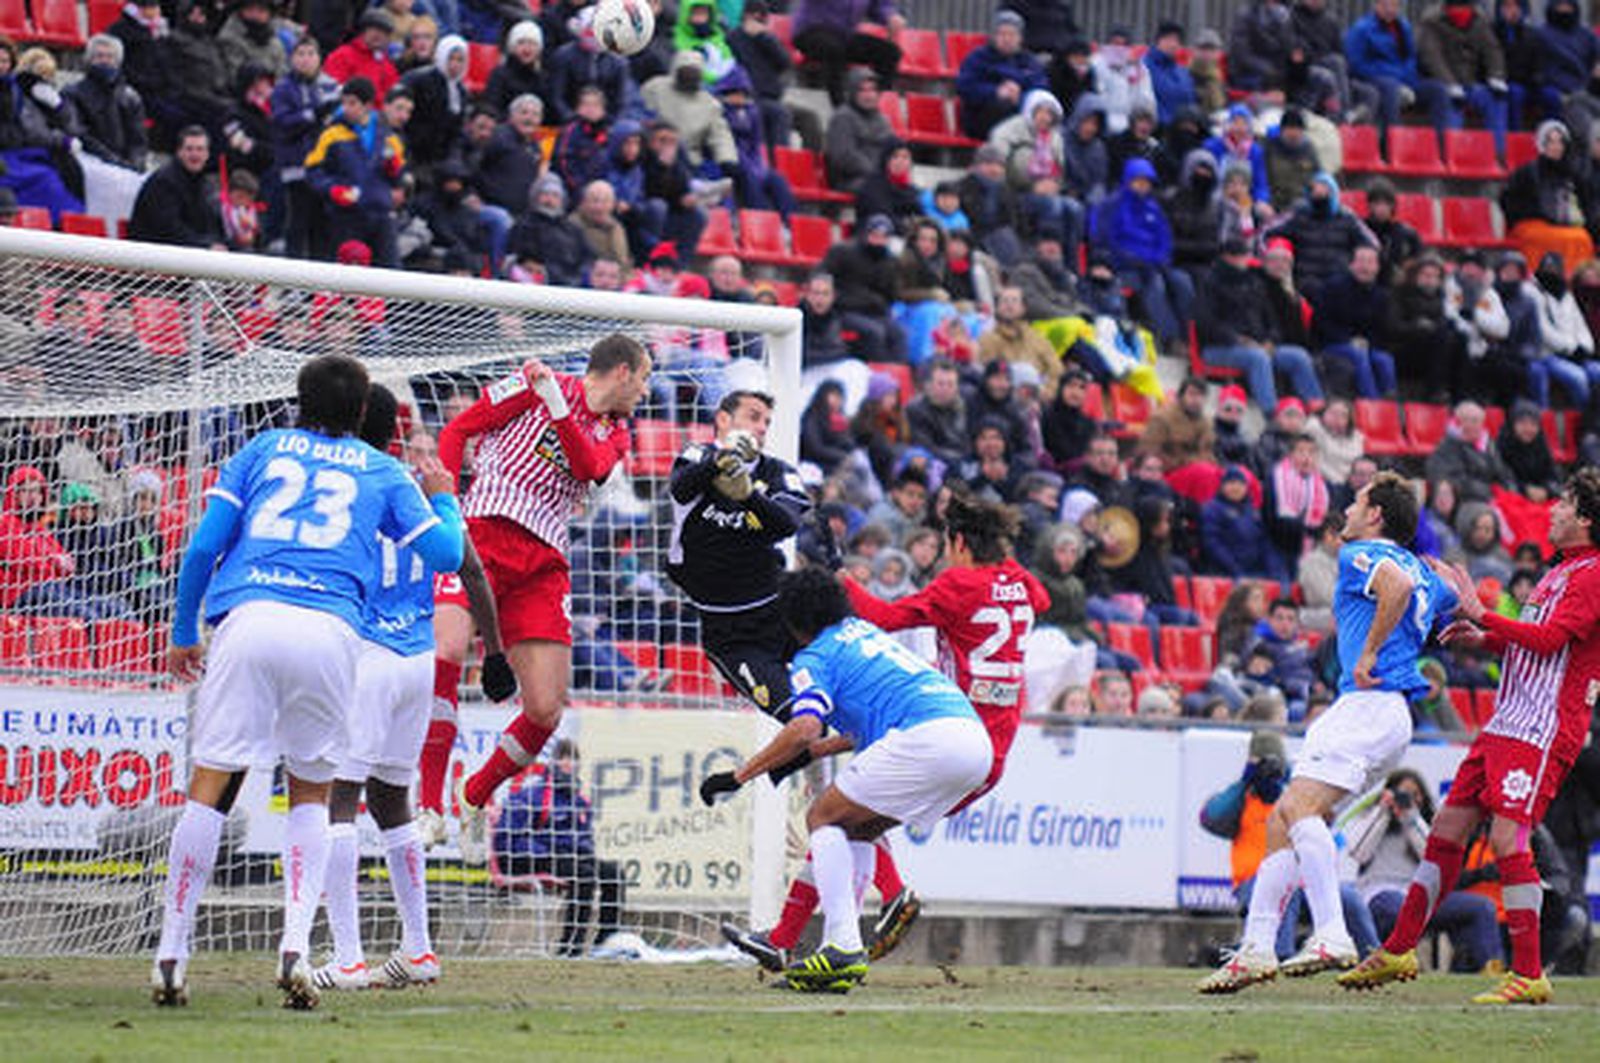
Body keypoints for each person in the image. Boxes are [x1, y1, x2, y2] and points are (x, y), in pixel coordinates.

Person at [149, 355, 466, 1010]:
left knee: (210, 786)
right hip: (330, 632)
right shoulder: (381, 468)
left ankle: (172, 952)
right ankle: (295, 943)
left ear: (297, 400)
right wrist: (442, 499)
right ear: (362, 413)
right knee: (313, 793)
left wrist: (185, 628)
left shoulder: (263, 447)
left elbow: (205, 544)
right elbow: (446, 557)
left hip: (251, 617)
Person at [726, 489, 1048, 972]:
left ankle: (883, 903)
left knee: (836, 819)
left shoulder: (959, 585)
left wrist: (843, 584)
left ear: (958, 542)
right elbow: (1036, 594)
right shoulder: (1021, 586)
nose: (943, 558)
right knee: (851, 822)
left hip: (947, 727)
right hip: (989, 742)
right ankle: (786, 938)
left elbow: (887, 616)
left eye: (945, 546)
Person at [1342, 471, 1600, 1004]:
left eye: (1563, 504)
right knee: (1447, 830)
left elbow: (1553, 640)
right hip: (1507, 721)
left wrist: (1483, 612)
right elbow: (1538, 648)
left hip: (1542, 727)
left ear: (1586, 520)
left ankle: (1528, 973)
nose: (1551, 510)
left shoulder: (1594, 574)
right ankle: (1398, 948)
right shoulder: (1558, 574)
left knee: (1508, 839)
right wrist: (1484, 638)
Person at [1199, 472, 1457, 993]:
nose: (1348, 510)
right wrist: (1460, 612)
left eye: (1358, 502)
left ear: (1376, 516)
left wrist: (1367, 652)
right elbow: (1441, 594)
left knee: (1299, 811)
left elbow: (1398, 587)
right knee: (1284, 821)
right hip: (1386, 714)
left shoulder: (1360, 554)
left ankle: (1332, 931)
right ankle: (1257, 947)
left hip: (1366, 703)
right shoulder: (1423, 569)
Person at [701, 568, 992, 993]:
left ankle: (841, 947)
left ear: (793, 620)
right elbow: (858, 724)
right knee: (857, 827)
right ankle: (835, 948)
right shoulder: (862, 632)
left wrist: (740, 774)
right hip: (970, 739)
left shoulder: (814, 657)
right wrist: (818, 751)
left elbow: (803, 727)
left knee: (822, 817)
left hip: (929, 737)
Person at [312, 389, 509, 991]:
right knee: (393, 801)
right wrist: (495, 652)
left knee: (336, 799)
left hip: (368, 655)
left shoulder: (353, 486)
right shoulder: (424, 490)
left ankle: (346, 957)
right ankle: (418, 949)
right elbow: (470, 568)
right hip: (417, 660)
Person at [441, 337, 651, 865]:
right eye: (644, 379)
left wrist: (558, 410)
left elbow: (589, 467)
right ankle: (422, 799)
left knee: (544, 709)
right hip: (485, 532)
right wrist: (444, 509)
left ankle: (472, 795)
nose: (647, 391)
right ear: (622, 372)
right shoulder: (537, 385)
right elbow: (458, 430)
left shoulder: (614, 433)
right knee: (443, 654)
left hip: (544, 562)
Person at [666, 389, 810, 720]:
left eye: (767, 422)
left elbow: (787, 523)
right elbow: (681, 487)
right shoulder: (696, 455)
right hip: (729, 630)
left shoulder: (779, 472)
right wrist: (722, 461)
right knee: (793, 715)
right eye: (753, 417)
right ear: (723, 420)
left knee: (835, 699)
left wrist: (748, 496)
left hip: (781, 611)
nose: (761, 427)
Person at [1344, 768, 1505, 973]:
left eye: (1414, 794)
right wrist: (1383, 812)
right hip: (1379, 893)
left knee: (1481, 907)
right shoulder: (1372, 819)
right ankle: (1391, 963)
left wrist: (1411, 818)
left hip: (1420, 896)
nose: (1407, 799)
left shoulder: (1425, 825)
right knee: (1398, 906)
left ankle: (1491, 967)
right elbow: (1359, 852)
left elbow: (1432, 857)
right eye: (1402, 793)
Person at [492, 739, 628, 957]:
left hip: (565, 859)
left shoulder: (579, 801)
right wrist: (549, 849)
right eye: (563, 757)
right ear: (553, 761)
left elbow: (584, 839)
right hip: (528, 858)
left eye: (573, 759)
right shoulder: (532, 795)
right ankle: (569, 948)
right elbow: (507, 840)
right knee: (584, 875)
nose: (568, 763)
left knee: (613, 873)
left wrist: (582, 851)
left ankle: (606, 940)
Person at [305, 77, 406, 268]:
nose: (346, 108)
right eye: (344, 102)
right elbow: (312, 172)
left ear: (367, 105)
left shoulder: (388, 136)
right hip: (346, 216)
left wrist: (394, 170)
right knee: (346, 278)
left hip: (381, 214)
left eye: (352, 103)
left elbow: (399, 177)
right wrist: (333, 190)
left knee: (391, 274)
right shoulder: (331, 134)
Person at [955, 10, 1047, 140]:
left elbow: (1041, 88)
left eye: (1012, 34)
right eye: (1002, 34)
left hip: (1020, 114)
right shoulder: (978, 57)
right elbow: (964, 86)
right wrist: (996, 91)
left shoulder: (1029, 61)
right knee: (1002, 106)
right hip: (982, 118)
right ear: (994, 36)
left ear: (1020, 37)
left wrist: (1020, 96)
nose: (1007, 39)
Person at [127, 126, 224, 249]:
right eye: (189, 149)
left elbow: (210, 226)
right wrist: (207, 245)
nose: (195, 155)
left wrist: (221, 244)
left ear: (207, 154)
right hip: (151, 256)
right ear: (179, 152)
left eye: (200, 149)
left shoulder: (204, 185)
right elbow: (169, 230)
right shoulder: (163, 182)